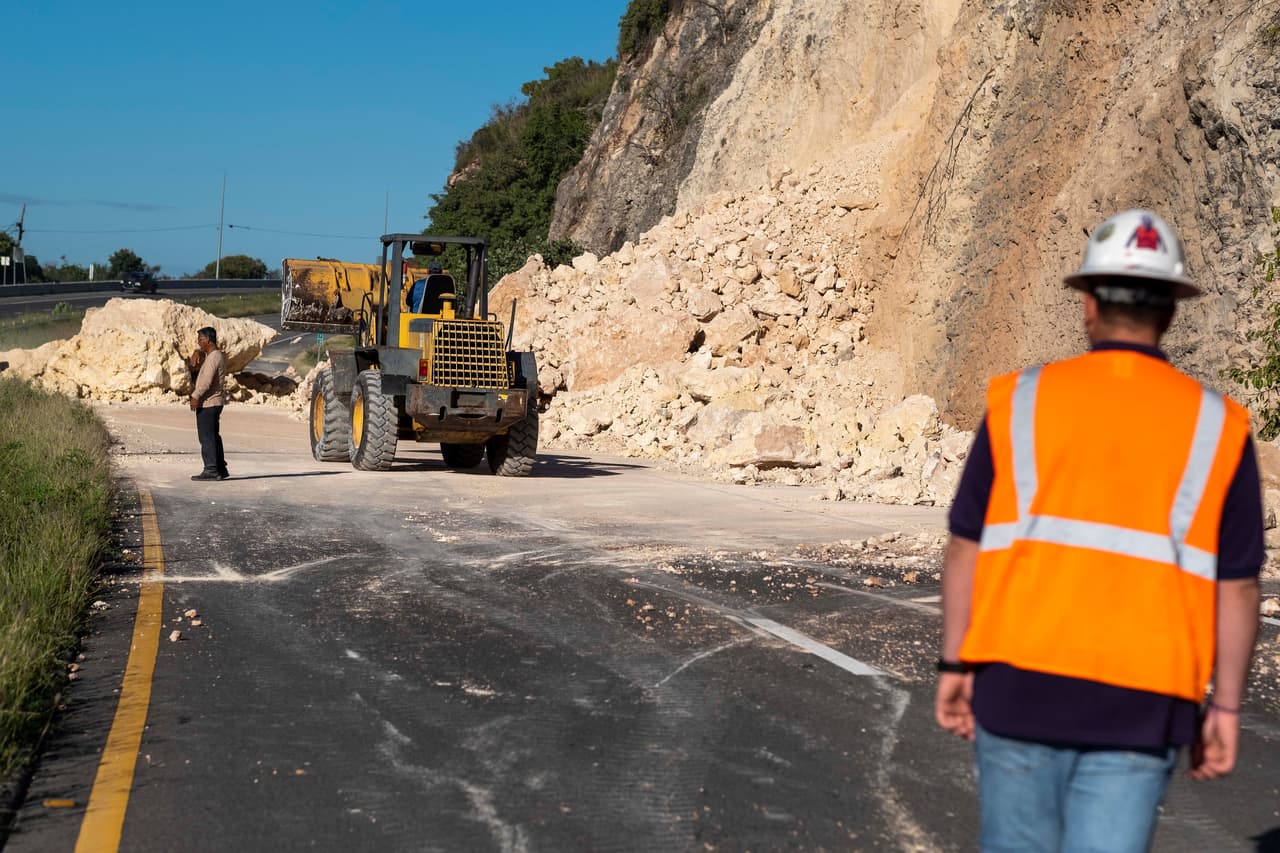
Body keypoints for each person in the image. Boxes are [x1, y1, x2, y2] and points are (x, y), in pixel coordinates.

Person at [935, 208, 1263, 852]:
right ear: (1170, 311)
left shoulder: (1018, 401)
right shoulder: (1221, 427)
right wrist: (1224, 706)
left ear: (1087, 304)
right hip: (1145, 701)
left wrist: (954, 661)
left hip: (1018, 683)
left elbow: (964, 546)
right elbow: (1239, 588)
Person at [189, 326, 229, 481]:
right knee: (213, 436)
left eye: (201, 340)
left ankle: (211, 470)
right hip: (214, 402)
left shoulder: (213, 357)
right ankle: (220, 468)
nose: (199, 342)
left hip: (209, 403)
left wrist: (195, 396)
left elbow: (206, 382)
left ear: (208, 340)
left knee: (206, 438)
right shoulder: (214, 356)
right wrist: (198, 352)